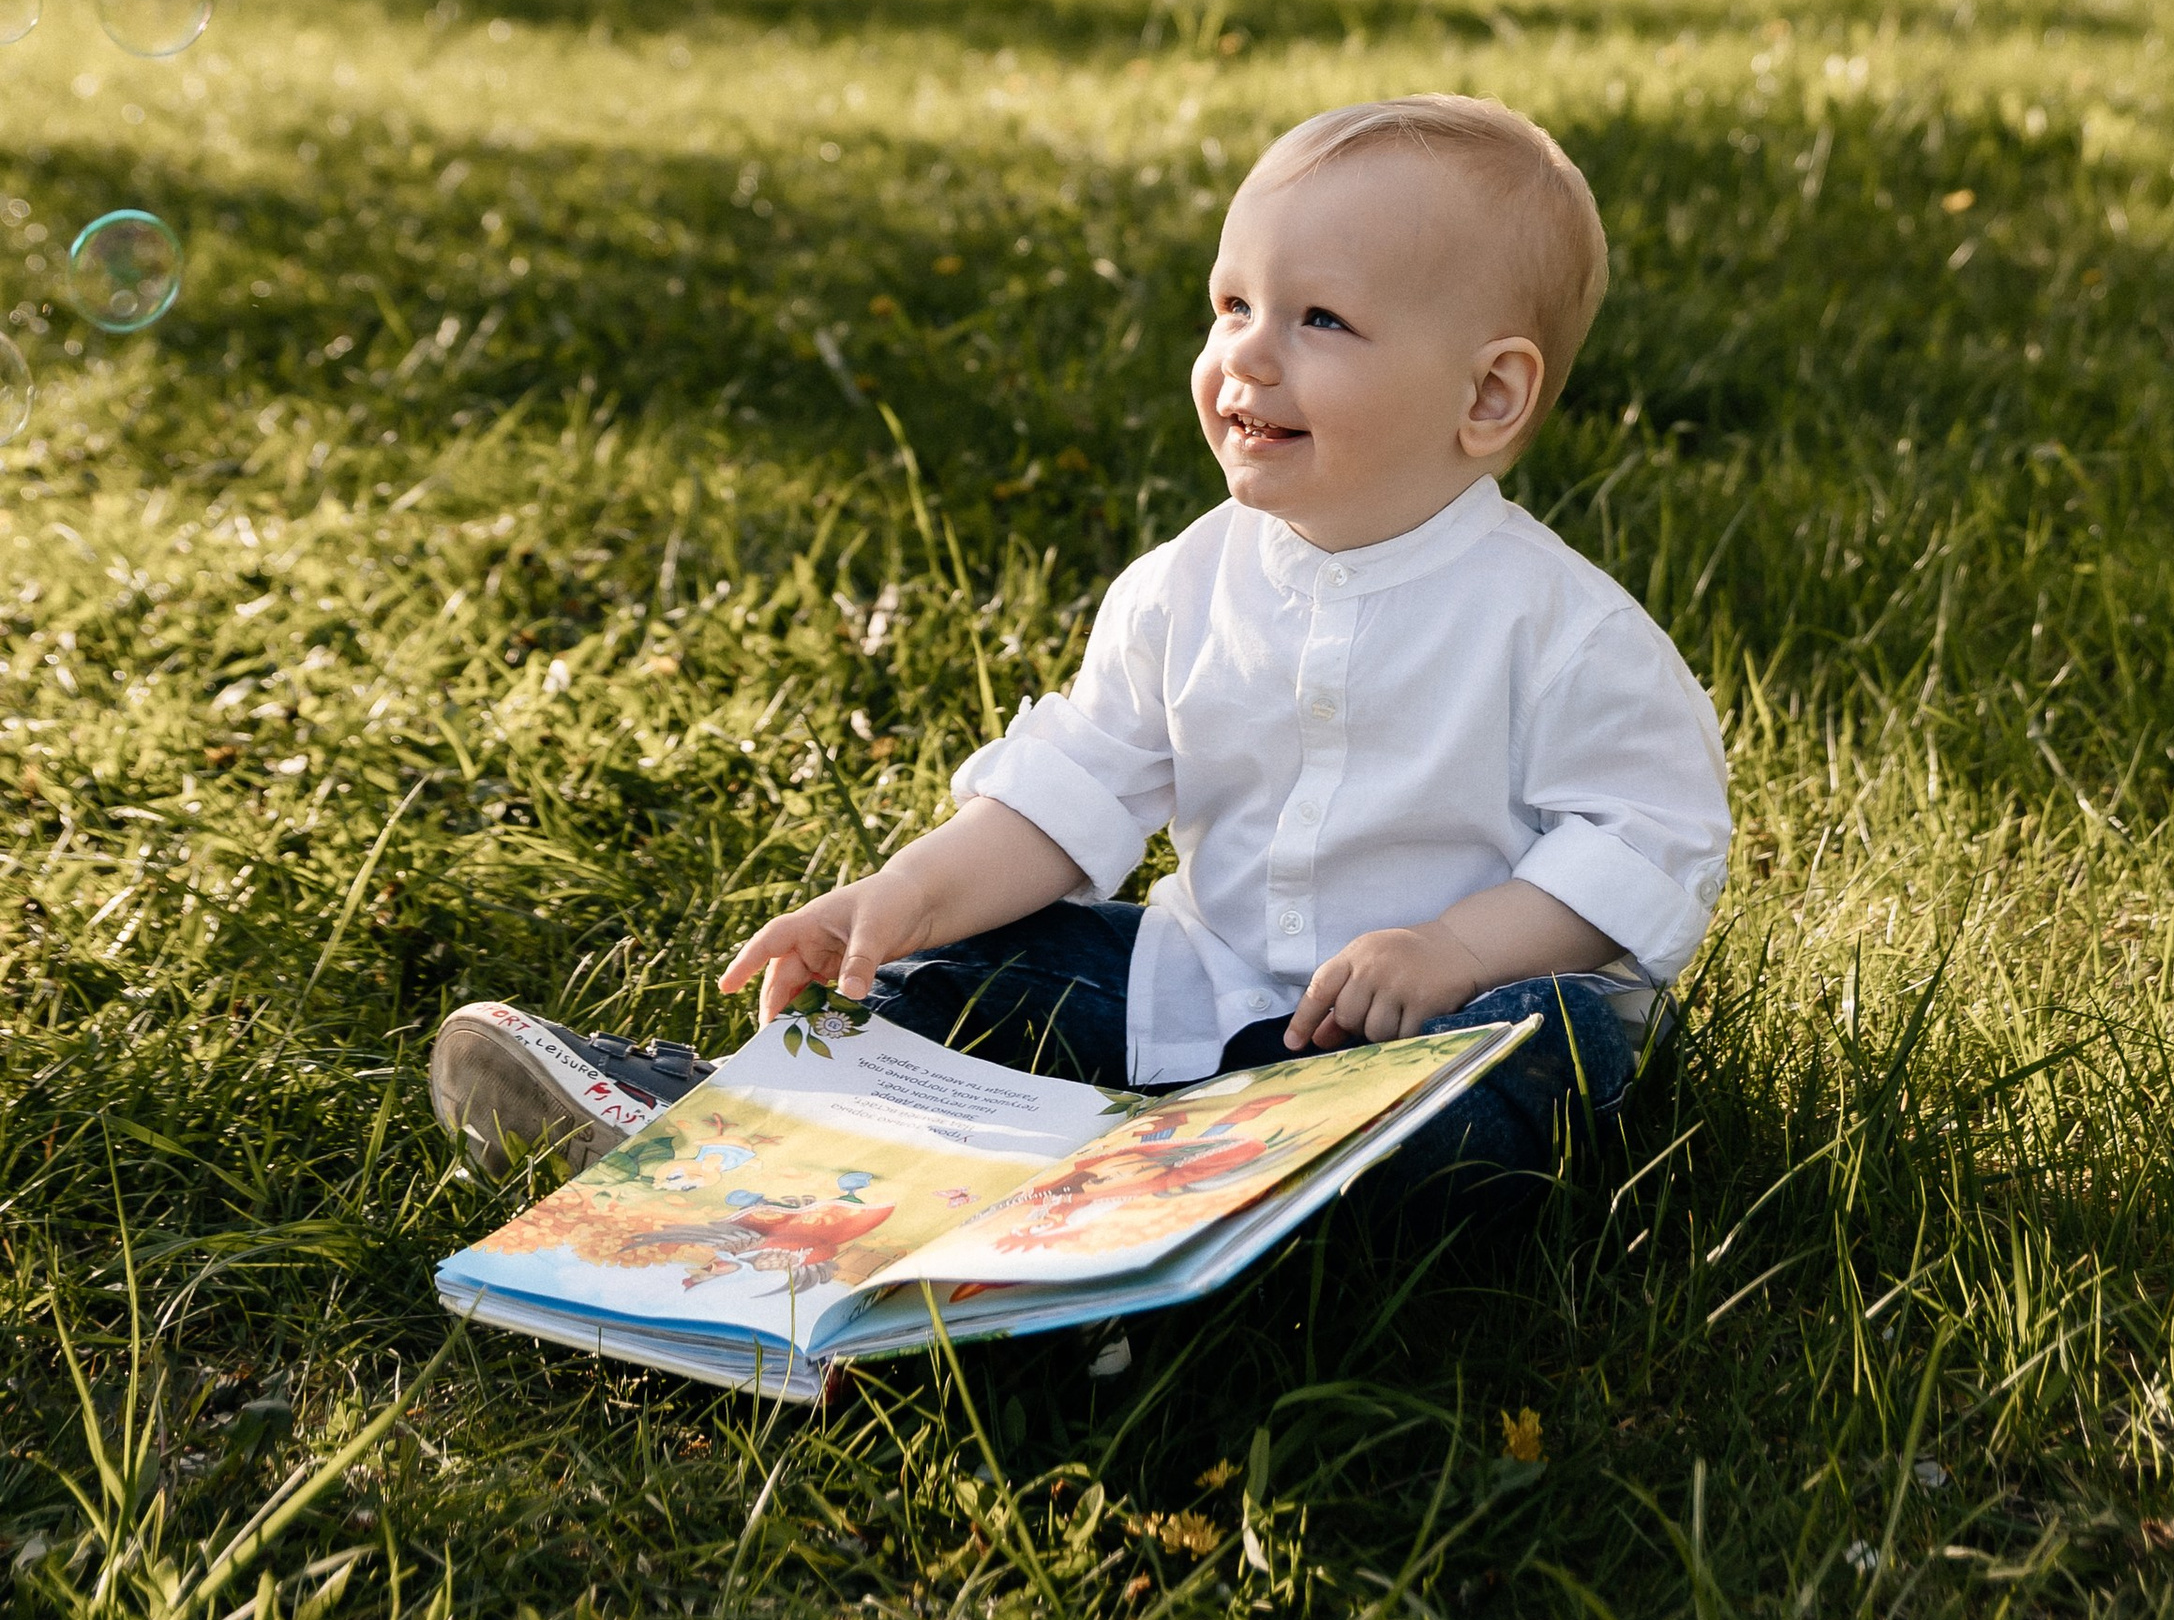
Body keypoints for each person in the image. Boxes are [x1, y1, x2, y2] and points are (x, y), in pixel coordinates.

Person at [430, 94, 1732, 1217]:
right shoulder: (1185, 586)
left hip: (1416, 1034)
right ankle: (718, 1112)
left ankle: (1245, 1212)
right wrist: (902, 896)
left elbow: (1641, 842)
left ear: (1489, 396)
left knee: (1549, 1048)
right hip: (1197, 990)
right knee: (995, 961)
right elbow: (1080, 787)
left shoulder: (1560, 630)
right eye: (1232, 305)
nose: (1244, 358)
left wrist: (1454, 950)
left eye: (1319, 320)